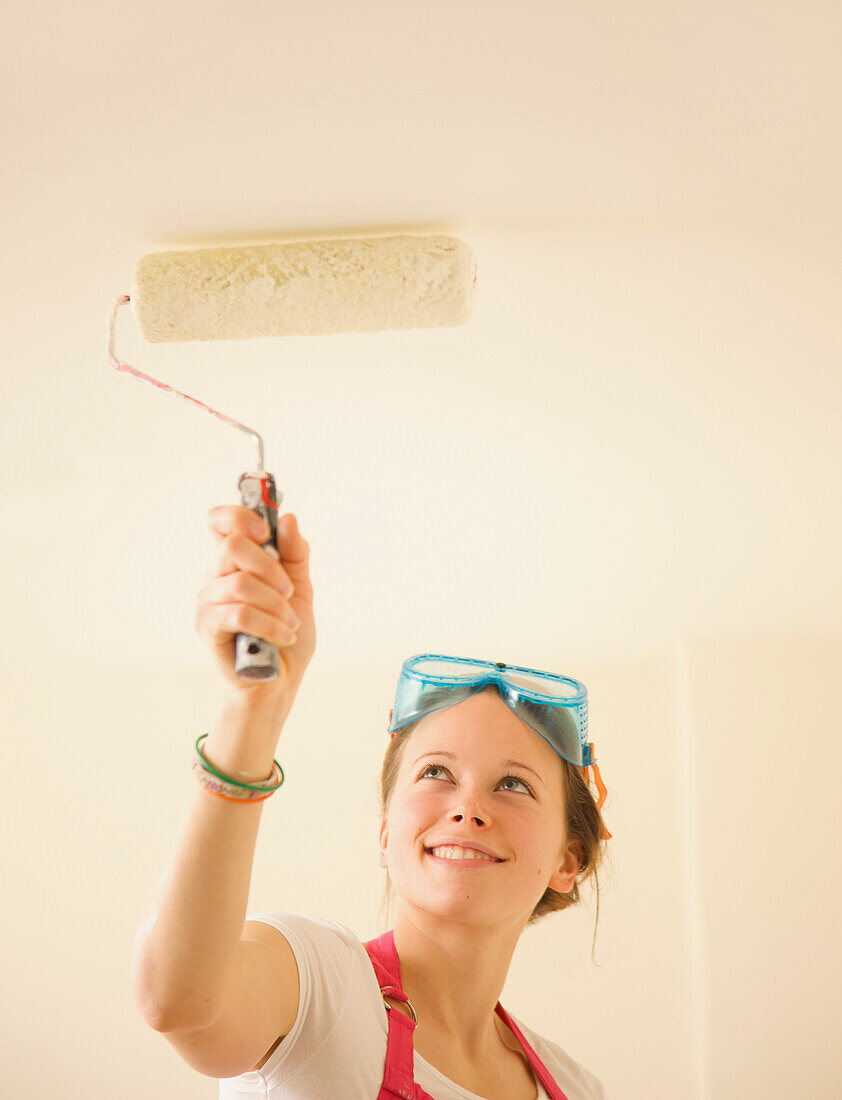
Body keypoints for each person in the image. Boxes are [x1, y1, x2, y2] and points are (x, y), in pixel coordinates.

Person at [131, 506, 610, 1099]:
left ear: (569, 859)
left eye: (513, 785)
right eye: (436, 772)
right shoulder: (322, 988)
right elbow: (178, 999)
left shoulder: (577, 1088)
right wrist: (253, 713)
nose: (467, 809)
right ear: (386, 833)